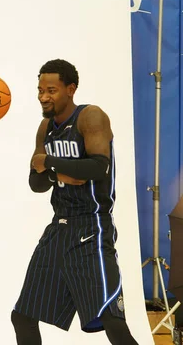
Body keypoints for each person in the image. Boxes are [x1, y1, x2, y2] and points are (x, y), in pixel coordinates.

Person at [11, 59, 139, 344]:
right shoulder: (45, 127)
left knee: (112, 322)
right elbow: (36, 183)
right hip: (59, 229)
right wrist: (59, 175)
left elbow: (98, 167)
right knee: (22, 317)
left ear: (70, 89)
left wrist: (50, 163)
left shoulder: (90, 116)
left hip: (92, 227)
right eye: (40, 90)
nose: (44, 97)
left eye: (51, 90)